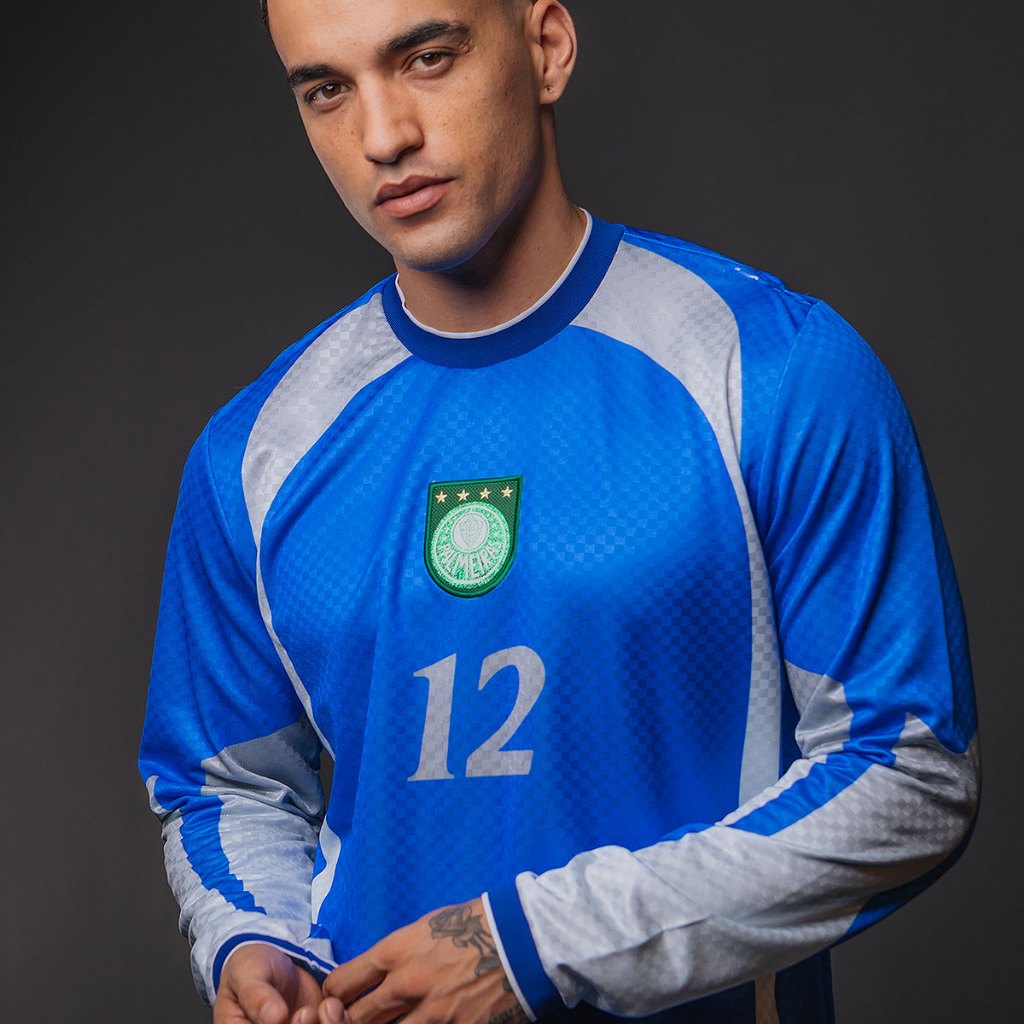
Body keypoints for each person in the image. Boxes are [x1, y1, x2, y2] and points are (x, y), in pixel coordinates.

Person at [138, 2, 979, 1024]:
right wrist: (253, 937)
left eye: (428, 58)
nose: (382, 135)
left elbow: (911, 775)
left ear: (546, 49)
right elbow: (227, 786)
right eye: (327, 89)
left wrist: (538, 945)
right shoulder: (257, 449)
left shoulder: (769, 370)